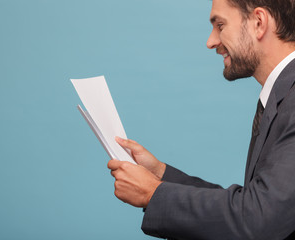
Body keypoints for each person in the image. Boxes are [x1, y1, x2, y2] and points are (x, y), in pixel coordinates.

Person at [107, 0, 295, 239]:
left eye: (220, 25)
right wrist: (160, 175)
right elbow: (256, 202)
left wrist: (154, 193)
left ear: (259, 22)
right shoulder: (283, 97)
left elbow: (260, 217)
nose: (211, 42)